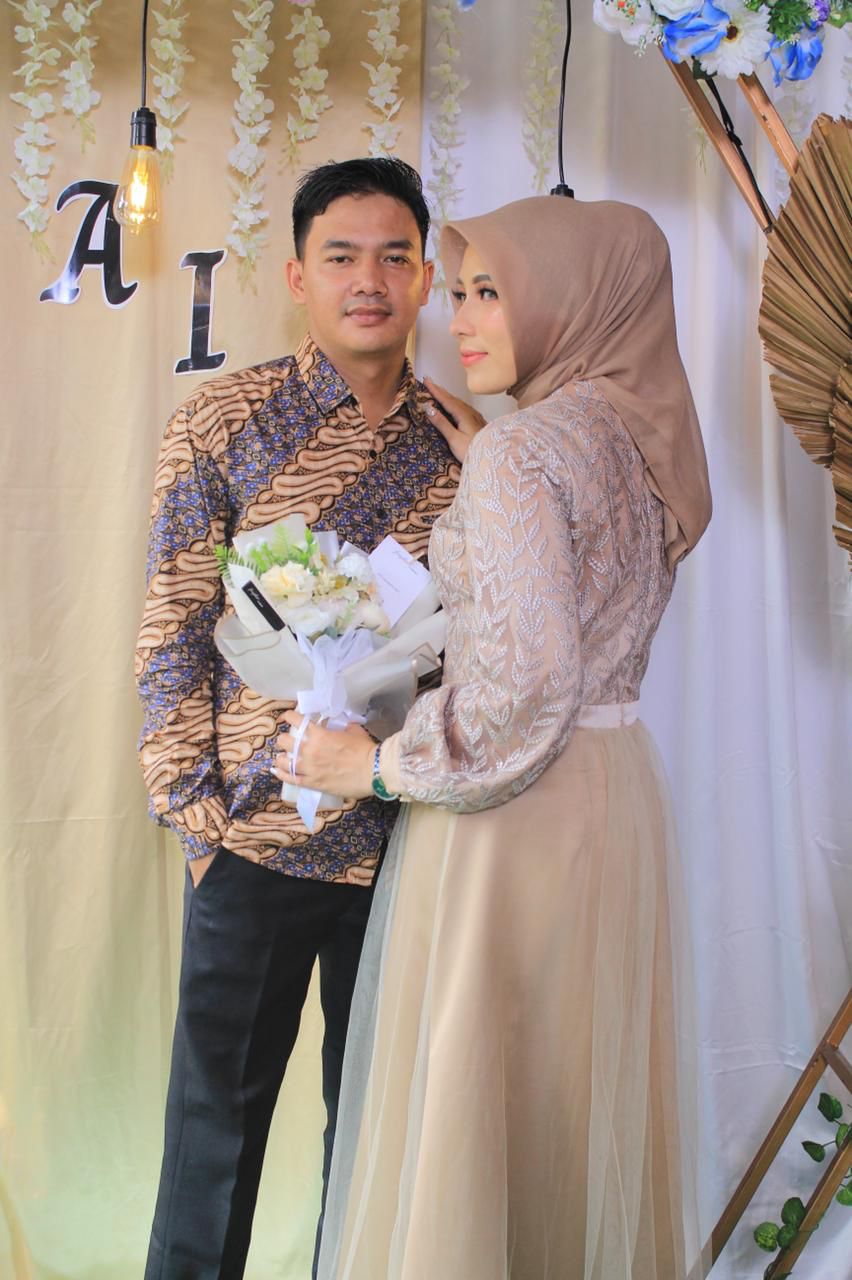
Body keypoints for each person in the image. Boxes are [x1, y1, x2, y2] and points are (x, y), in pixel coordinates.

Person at [277, 195, 713, 1279]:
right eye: (462, 291)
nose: (461, 319)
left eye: (490, 293)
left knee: (482, 1093)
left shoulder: (522, 452)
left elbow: (524, 690)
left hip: (515, 810)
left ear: (570, 301)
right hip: (613, 793)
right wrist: (493, 464)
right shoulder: (638, 439)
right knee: (570, 1096)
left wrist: (373, 764)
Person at [136, 156, 484, 1280]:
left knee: (378, 1143)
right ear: (298, 274)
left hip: (407, 841)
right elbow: (173, 620)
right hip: (252, 838)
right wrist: (196, 820)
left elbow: (487, 647)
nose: (368, 279)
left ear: (425, 277)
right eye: (341, 256)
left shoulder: (461, 443)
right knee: (213, 1142)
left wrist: (493, 469)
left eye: (394, 256)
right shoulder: (224, 421)